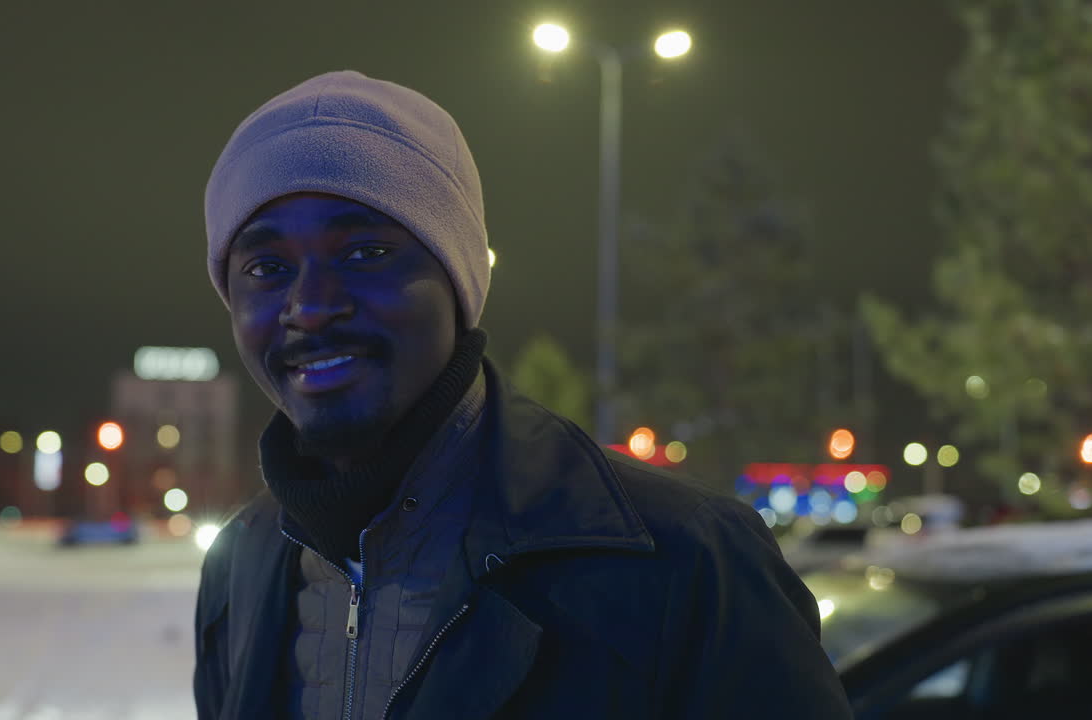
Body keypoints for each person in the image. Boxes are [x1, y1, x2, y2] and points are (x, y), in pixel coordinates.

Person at [194, 70, 853, 719]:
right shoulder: (241, 569)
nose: (309, 307)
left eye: (365, 253)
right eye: (266, 268)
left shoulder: (690, 563)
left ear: (458, 281)